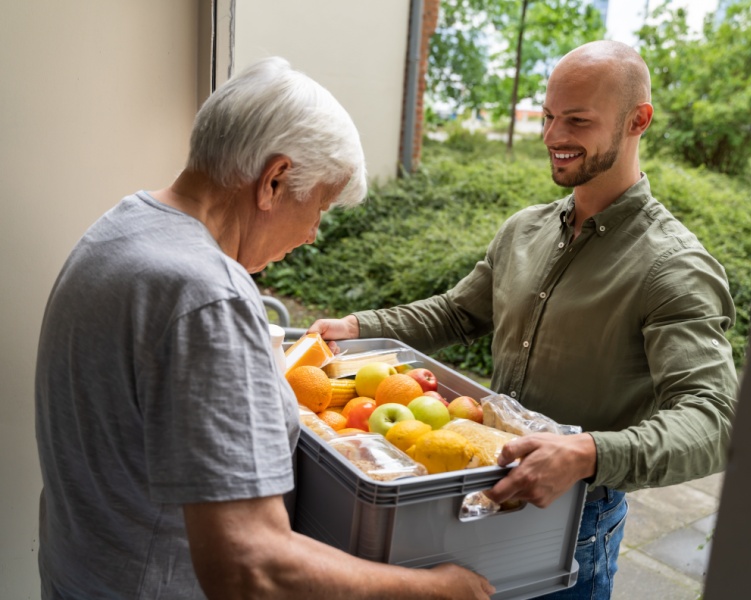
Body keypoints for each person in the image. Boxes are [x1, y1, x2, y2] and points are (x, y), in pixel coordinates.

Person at [34, 57, 494, 600]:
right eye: (319, 205)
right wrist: (435, 590)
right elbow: (249, 567)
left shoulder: (118, 228)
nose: (313, 234)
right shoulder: (209, 295)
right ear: (273, 180)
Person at [309, 40, 738, 599]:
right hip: (473, 487)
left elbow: (715, 421)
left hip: (575, 524)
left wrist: (588, 452)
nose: (554, 137)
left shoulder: (673, 267)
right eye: (549, 116)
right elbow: (457, 313)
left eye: (577, 120)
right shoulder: (523, 230)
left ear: (639, 120)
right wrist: (359, 328)